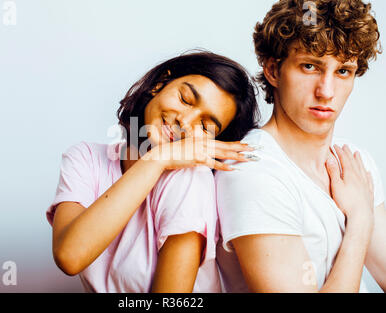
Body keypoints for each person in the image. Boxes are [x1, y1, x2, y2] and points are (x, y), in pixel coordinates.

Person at [46, 51, 261, 292]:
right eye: (186, 99)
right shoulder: (85, 158)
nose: (185, 122)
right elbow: (70, 255)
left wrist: (159, 158)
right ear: (160, 83)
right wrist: (157, 159)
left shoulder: (189, 179)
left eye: (204, 125)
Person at [216, 0, 385, 292]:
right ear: (273, 70)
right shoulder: (252, 171)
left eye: (343, 71)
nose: (326, 91)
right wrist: (360, 220)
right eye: (310, 66)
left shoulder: (354, 163)